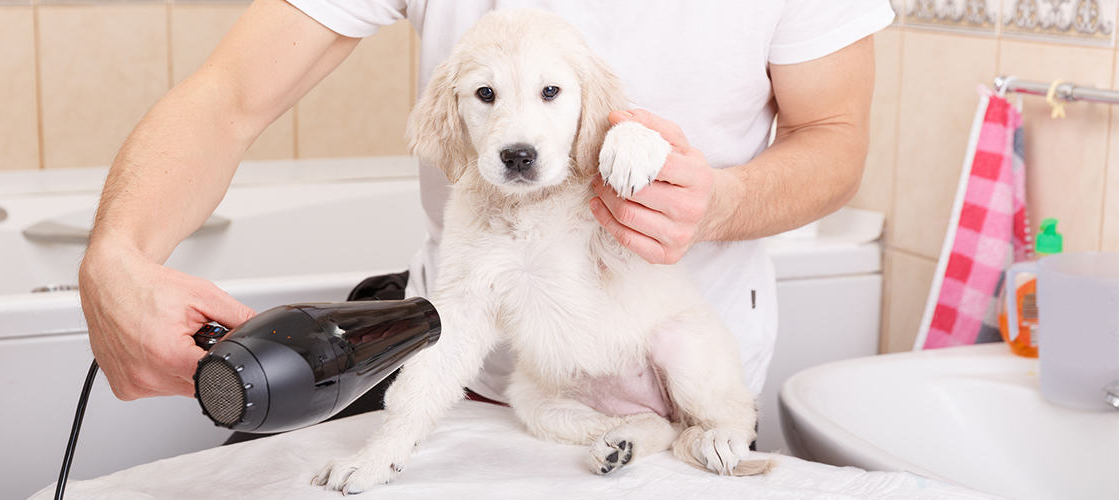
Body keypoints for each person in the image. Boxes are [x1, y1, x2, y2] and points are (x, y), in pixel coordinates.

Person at [79, 1, 895, 407]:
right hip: (480, 368)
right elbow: (228, 97)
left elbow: (836, 136)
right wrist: (114, 255)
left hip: (680, 375)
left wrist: (722, 203)